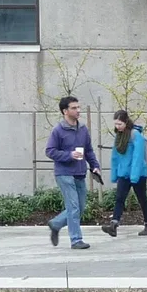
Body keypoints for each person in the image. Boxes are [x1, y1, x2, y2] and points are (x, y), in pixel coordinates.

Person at [45, 95, 102, 249]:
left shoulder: (83, 129)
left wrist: (95, 166)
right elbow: (50, 151)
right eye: (74, 108)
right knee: (73, 207)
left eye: (78, 107)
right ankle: (76, 240)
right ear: (65, 111)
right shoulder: (58, 130)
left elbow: (88, 150)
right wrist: (69, 155)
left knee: (80, 207)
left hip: (80, 172)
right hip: (64, 173)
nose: (78, 110)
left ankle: (56, 224)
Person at [100, 110, 147, 236]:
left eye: (119, 124)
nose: (117, 127)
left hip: (138, 174)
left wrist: (134, 176)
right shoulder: (119, 136)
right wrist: (115, 173)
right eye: (115, 124)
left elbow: (138, 157)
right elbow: (115, 156)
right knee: (119, 198)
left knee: (142, 199)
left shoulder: (135, 135)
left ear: (126, 122)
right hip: (124, 173)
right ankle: (113, 225)